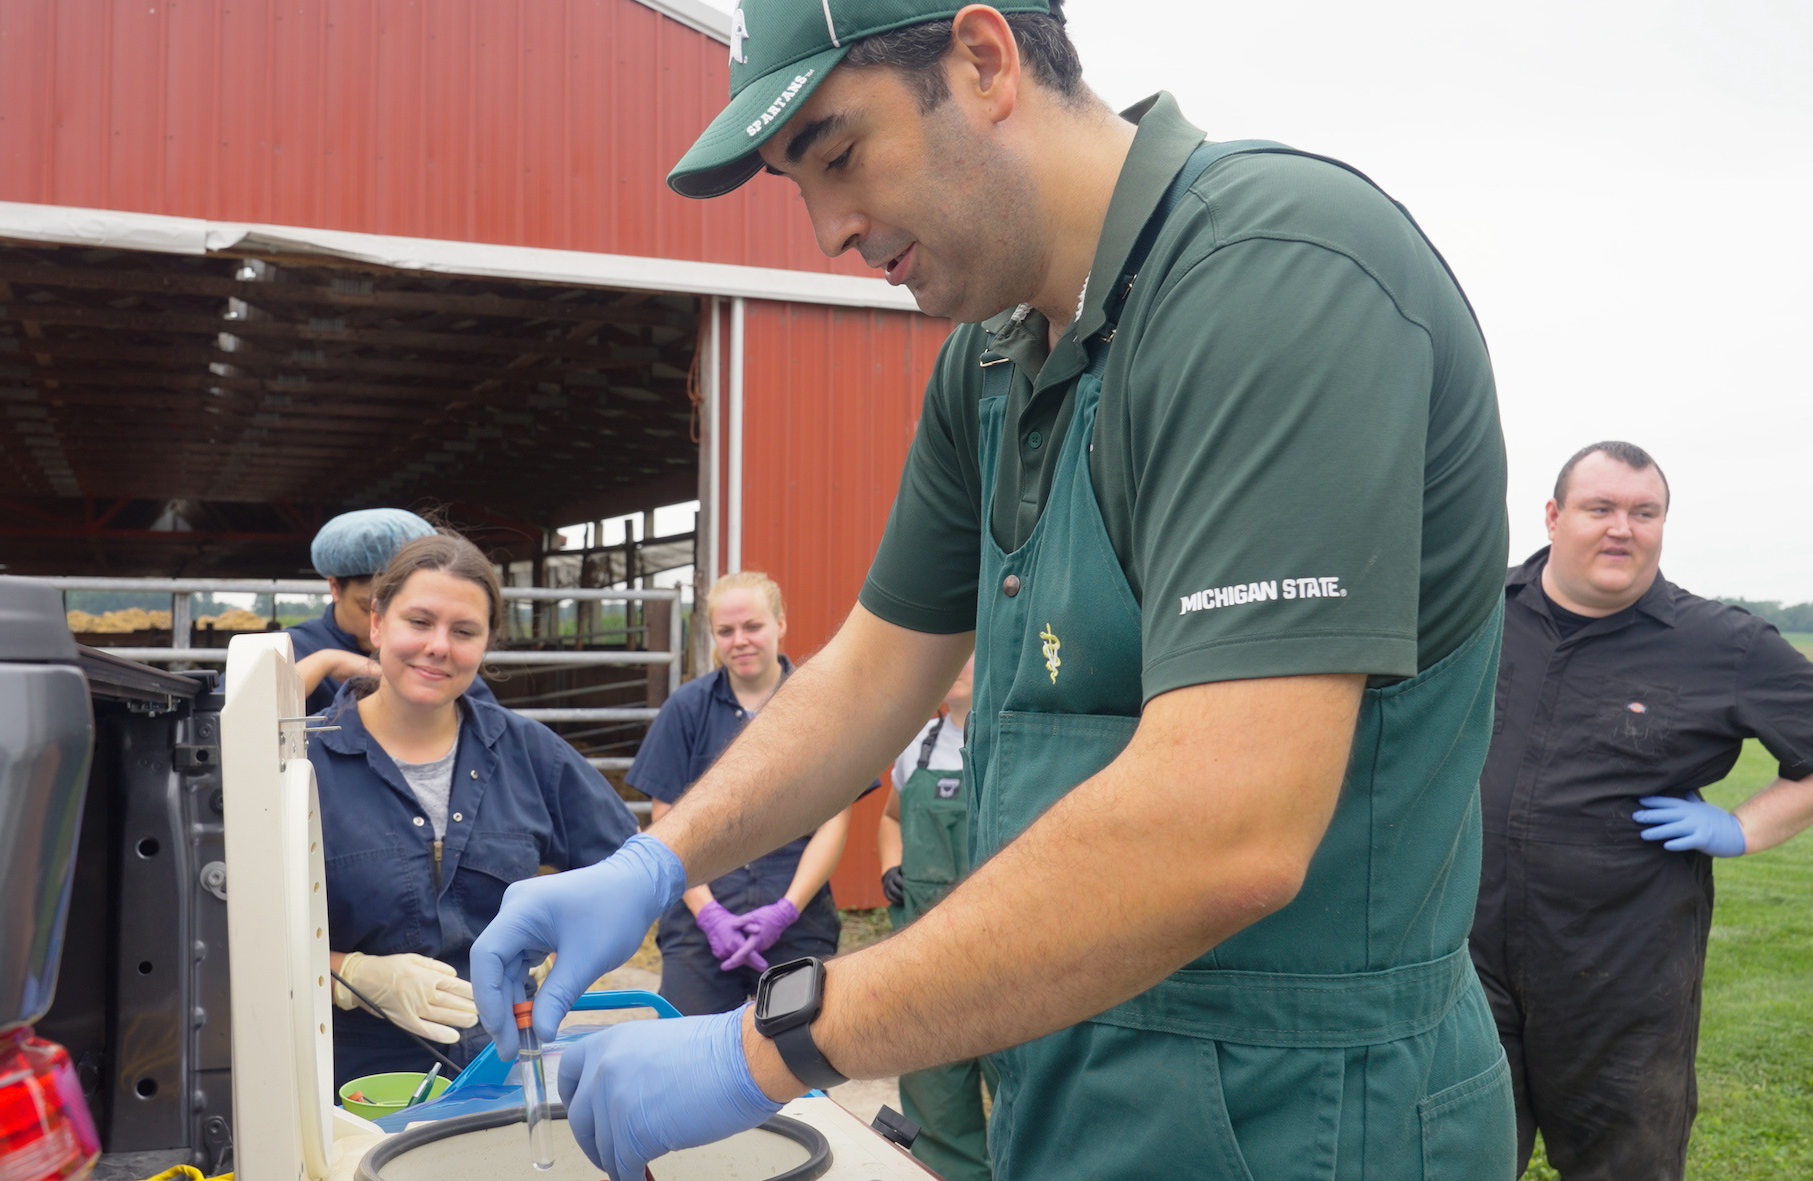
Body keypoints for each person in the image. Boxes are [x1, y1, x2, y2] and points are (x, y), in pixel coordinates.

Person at [470, 4, 1514, 1180]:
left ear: (983, 59)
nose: (827, 231)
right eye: (794, 183)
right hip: (1063, 1072)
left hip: (1303, 1115)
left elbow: (1231, 825)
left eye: (839, 152)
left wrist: (772, 1045)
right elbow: (874, 667)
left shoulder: (1275, 275)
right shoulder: (994, 355)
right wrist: (654, 862)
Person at [1471, 442, 1813, 1181]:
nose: (1622, 528)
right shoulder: (1477, 615)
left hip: (1621, 982)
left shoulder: (1722, 644)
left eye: (1644, 512)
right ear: (1555, 516)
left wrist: (1744, 826)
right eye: (1600, 508)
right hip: (1465, 966)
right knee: (1456, 1156)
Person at [312, 531, 638, 1088]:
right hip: (351, 1085)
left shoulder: (530, 753)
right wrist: (349, 975)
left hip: (504, 1069)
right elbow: (238, 935)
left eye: (464, 631)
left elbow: (631, 867)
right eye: (419, 622)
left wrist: (572, 961)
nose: (439, 646)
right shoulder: (306, 766)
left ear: (485, 644)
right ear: (376, 624)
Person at [627, 572, 855, 1016]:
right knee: (688, 1058)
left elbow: (834, 822)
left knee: (800, 1056)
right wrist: (709, 914)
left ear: (781, 624)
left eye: (753, 627)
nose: (740, 641)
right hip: (700, 920)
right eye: (725, 631)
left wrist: (786, 911)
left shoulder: (820, 708)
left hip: (798, 916)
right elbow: (666, 822)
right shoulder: (686, 709)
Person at [875, 654, 989, 1181]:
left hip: (1001, 949)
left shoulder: (1007, 741)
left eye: (972, 651)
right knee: (933, 1093)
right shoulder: (915, 747)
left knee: (1031, 1093)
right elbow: (891, 818)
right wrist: (890, 864)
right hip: (925, 956)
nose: (960, 665)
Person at [290, 507, 496, 717]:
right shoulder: (295, 647)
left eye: (418, 620)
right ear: (335, 588)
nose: (380, 623)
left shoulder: (439, 658)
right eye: (366, 607)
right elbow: (260, 717)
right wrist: (324, 662)